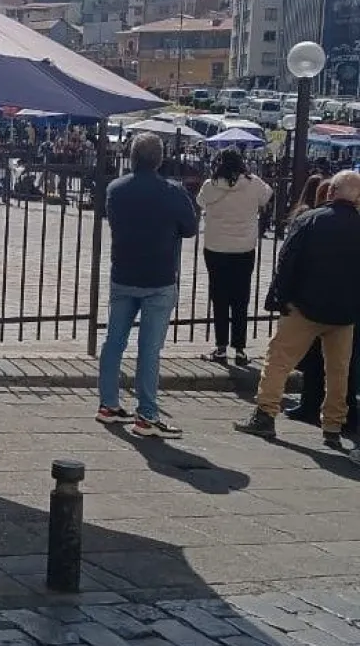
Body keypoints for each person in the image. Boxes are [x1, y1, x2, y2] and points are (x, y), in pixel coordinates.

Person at [235, 170, 360, 449]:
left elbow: (287, 261)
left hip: (305, 306)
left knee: (278, 360)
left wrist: (280, 298)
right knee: (338, 370)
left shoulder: (309, 220)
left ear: (330, 192)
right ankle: (332, 425)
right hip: (344, 313)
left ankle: (265, 414)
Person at [97, 133, 199, 438]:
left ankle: (108, 404)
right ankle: (147, 415)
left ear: (131, 157)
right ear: (160, 159)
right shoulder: (172, 191)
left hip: (124, 272)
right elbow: (191, 228)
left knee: (113, 342)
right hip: (158, 276)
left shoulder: (116, 189)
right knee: (149, 349)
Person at [197, 150, 273, 365]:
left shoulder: (210, 185)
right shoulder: (253, 183)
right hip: (244, 248)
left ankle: (221, 346)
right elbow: (268, 195)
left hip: (216, 247)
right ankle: (239, 348)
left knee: (219, 297)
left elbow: (200, 202)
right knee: (241, 298)